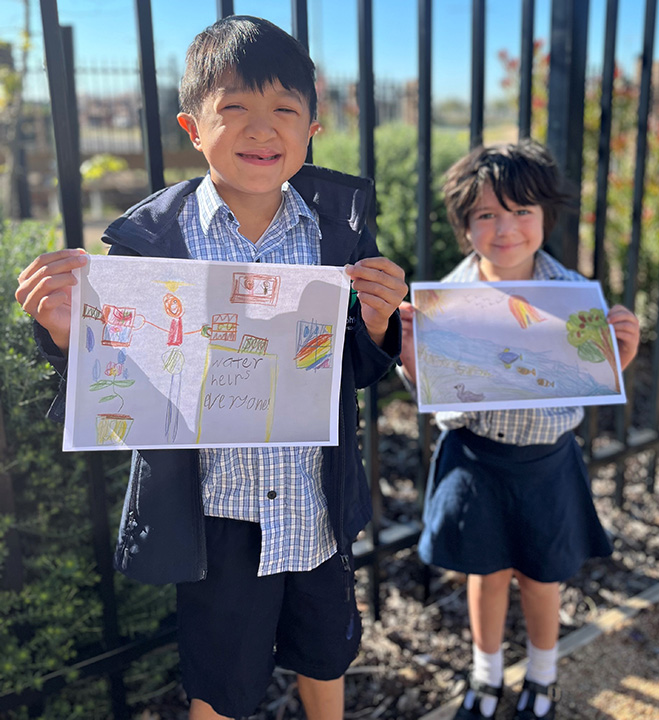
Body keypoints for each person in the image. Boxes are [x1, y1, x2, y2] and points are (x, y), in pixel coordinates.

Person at [16, 16, 407, 720]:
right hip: (216, 516)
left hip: (313, 503)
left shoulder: (335, 233)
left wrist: (377, 322)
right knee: (219, 685)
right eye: (235, 109)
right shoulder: (153, 244)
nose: (263, 129)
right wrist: (70, 335)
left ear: (312, 126)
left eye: (285, 110)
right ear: (192, 128)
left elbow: (347, 368)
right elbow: (120, 382)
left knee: (325, 655)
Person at [398, 140, 640, 720]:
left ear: (545, 218)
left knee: (541, 577)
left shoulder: (573, 298)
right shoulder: (446, 303)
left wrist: (616, 362)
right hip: (476, 458)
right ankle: (485, 678)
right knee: (485, 574)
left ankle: (542, 675)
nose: (506, 229)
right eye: (487, 215)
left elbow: (582, 383)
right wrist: (414, 362)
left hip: (547, 461)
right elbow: (440, 402)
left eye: (522, 212)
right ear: (464, 226)